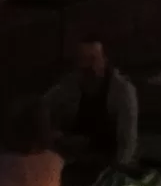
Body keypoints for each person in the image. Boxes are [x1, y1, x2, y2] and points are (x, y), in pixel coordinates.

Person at [41, 40, 139, 171]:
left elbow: (127, 140)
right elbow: (41, 106)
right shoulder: (69, 86)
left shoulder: (123, 91)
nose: (89, 66)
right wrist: (53, 134)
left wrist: (116, 172)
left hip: (109, 161)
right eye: (83, 60)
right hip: (73, 159)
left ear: (104, 60)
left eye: (94, 59)